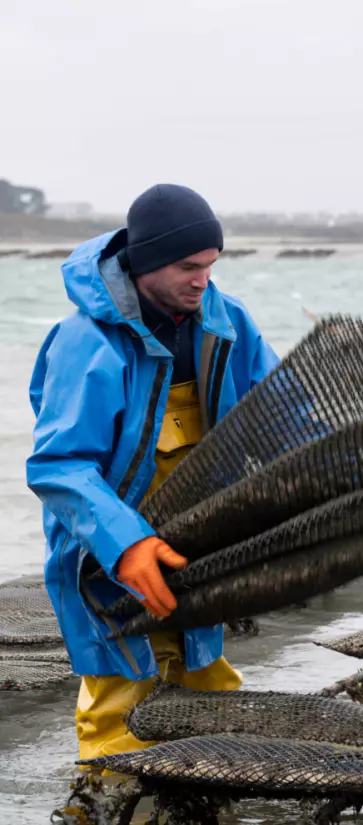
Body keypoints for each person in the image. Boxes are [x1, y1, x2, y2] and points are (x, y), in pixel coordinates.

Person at [26, 184, 279, 760]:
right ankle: (105, 799)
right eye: (188, 266)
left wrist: (355, 478)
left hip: (198, 540)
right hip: (105, 549)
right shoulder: (84, 342)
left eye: (212, 265)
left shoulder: (225, 319)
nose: (202, 280)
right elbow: (59, 465)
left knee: (204, 676)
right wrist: (127, 544)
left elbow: (282, 411)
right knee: (120, 702)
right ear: (145, 263)